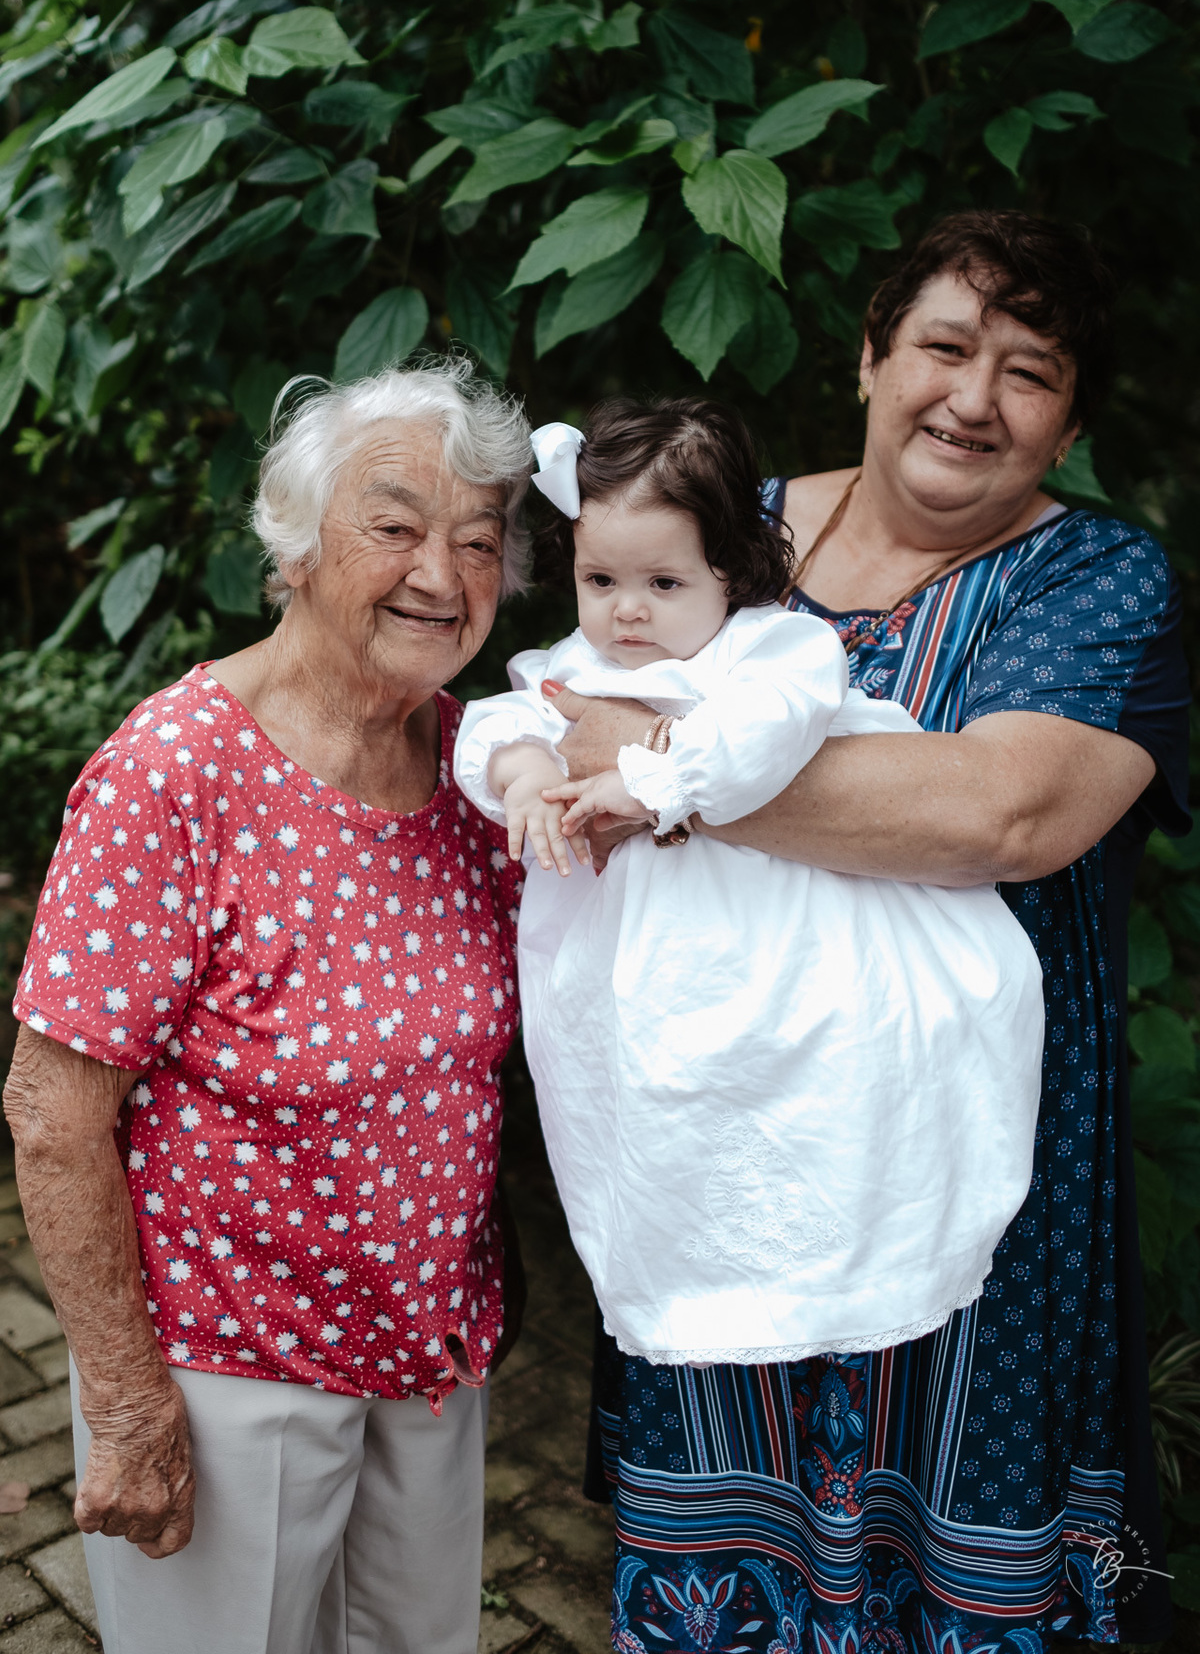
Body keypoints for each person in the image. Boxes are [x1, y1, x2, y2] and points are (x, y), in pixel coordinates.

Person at [548, 214, 1191, 1651]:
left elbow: (996, 815)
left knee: (958, 1551)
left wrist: (660, 771)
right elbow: (562, 705)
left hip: (982, 1163)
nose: (974, 397)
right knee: (730, 1548)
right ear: (867, 359)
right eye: (946, 347)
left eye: (1029, 372)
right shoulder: (726, 527)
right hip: (725, 1139)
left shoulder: (1100, 581)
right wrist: (614, 742)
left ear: (1071, 420)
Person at [5, 356, 532, 1654]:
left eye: (479, 539)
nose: (443, 573)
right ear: (294, 548)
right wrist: (127, 1407)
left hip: (429, 1355)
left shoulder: (483, 767)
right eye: (396, 526)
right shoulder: (176, 770)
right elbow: (54, 1110)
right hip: (224, 1367)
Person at [453, 400, 1045, 1372]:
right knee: (671, 1120)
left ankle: (853, 1272)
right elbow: (500, 722)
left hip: (795, 934)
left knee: (820, 1086)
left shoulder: (770, 649)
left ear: (727, 569)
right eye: (600, 579)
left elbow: (764, 729)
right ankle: (704, 1295)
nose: (627, 609)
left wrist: (650, 779)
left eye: (663, 581)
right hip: (649, 967)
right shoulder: (571, 666)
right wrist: (522, 772)